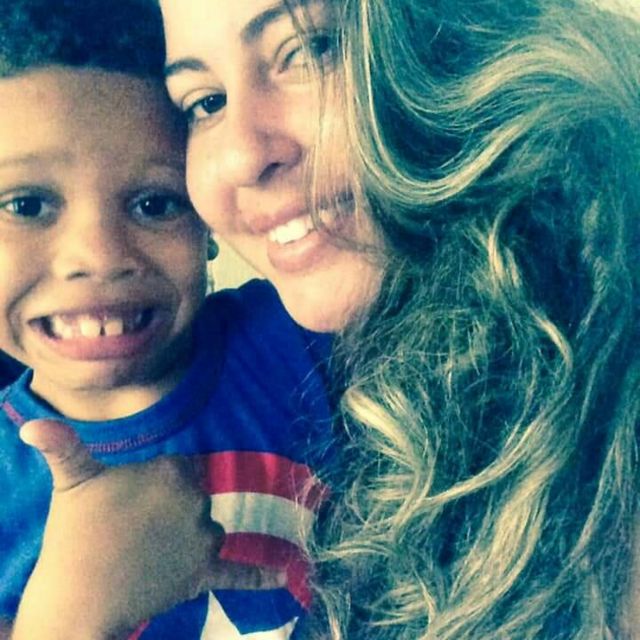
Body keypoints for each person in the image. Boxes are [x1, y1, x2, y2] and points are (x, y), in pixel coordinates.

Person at [9, 0, 638, 638]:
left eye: (309, 50)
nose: (98, 256)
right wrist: (65, 618)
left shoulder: (321, 346)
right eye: (205, 102)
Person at [0, 1, 332, 638]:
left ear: (206, 223)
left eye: (155, 204)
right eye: (27, 205)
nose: (99, 255)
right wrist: (68, 615)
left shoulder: (301, 338)